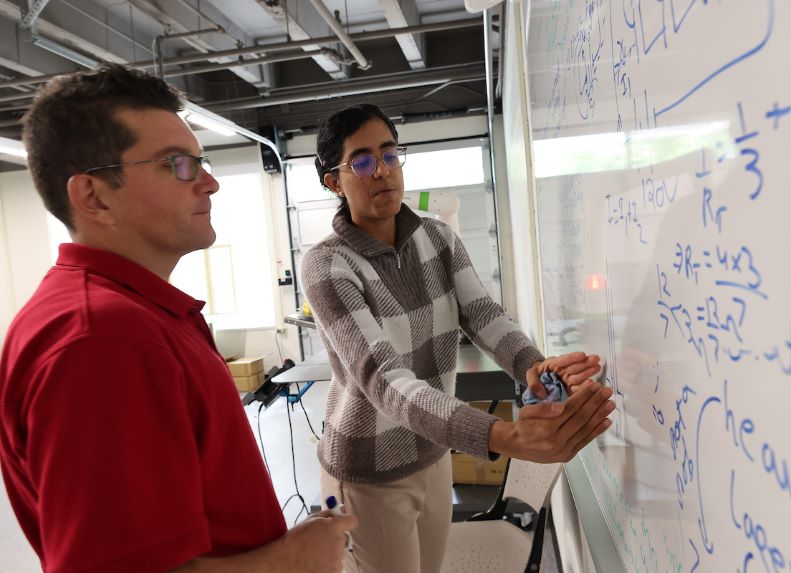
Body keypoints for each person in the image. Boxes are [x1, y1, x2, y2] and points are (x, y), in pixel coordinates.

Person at [0, 64, 356, 573]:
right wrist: (292, 560)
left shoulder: (130, 315)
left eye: (201, 162)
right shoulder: (103, 340)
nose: (209, 183)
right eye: (178, 165)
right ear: (94, 196)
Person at [302, 103, 616, 573]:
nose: (382, 172)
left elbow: (483, 314)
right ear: (334, 180)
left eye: (389, 154)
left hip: (431, 451)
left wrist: (532, 364)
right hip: (368, 467)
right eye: (362, 161)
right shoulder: (327, 265)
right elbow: (385, 381)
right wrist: (502, 435)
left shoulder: (437, 238)